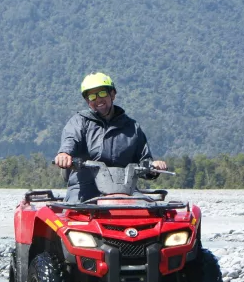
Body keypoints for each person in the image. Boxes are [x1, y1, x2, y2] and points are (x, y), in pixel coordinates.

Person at [54, 73, 167, 202]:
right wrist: (64, 154)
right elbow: (70, 140)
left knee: (149, 210)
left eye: (102, 93)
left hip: (125, 190)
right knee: (73, 215)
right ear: (87, 101)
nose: (97, 99)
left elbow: (144, 161)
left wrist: (153, 167)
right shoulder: (79, 122)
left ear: (112, 94)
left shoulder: (132, 127)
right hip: (85, 189)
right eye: (92, 96)